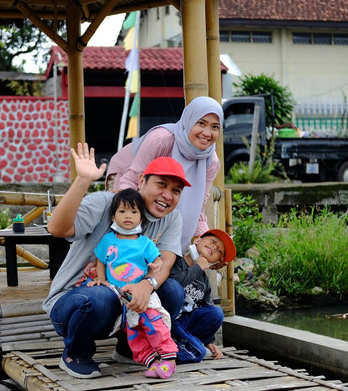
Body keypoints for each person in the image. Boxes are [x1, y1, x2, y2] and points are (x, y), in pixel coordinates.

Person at [43, 143, 189, 379]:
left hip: (125, 303)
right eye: (161, 184)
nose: (167, 195)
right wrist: (82, 180)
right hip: (75, 302)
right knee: (103, 296)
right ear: (142, 181)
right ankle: (76, 353)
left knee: (172, 290)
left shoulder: (171, 218)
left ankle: (127, 348)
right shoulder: (107, 203)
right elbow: (56, 228)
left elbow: (166, 262)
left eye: (176, 190)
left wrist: (146, 285)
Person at [106, 96, 224, 250]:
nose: (207, 133)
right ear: (188, 120)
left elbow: (197, 206)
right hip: (126, 176)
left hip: (162, 189)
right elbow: (131, 180)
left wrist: (204, 239)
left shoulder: (211, 162)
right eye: (201, 123)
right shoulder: (161, 140)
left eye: (215, 127)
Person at [89, 188, 178, 379]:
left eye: (133, 212)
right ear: (113, 216)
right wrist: (101, 279)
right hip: (121, 296)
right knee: (133, 330)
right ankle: (152, 362)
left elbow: (159, 261)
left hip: (142, 293)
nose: (128, 216)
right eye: (122, 211)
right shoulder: (108, 240)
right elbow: (101, 261)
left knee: (153, 322)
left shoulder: (145, 243)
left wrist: (156, 265)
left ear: (141, 217)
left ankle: (169, 359)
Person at [169, 228, 236, 363]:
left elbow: (205, 309)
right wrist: (197, 267)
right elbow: (171, 285)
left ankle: (183, 346)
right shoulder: (175, 261)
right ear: (197, 240)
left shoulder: (204, 281)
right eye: (213, 241)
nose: (214, 247)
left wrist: (208, 340)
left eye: (219, 251)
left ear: (216, 263)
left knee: (216, 313)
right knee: (198, 353)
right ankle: (168, 351)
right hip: (167, 321)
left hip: (183, 326)